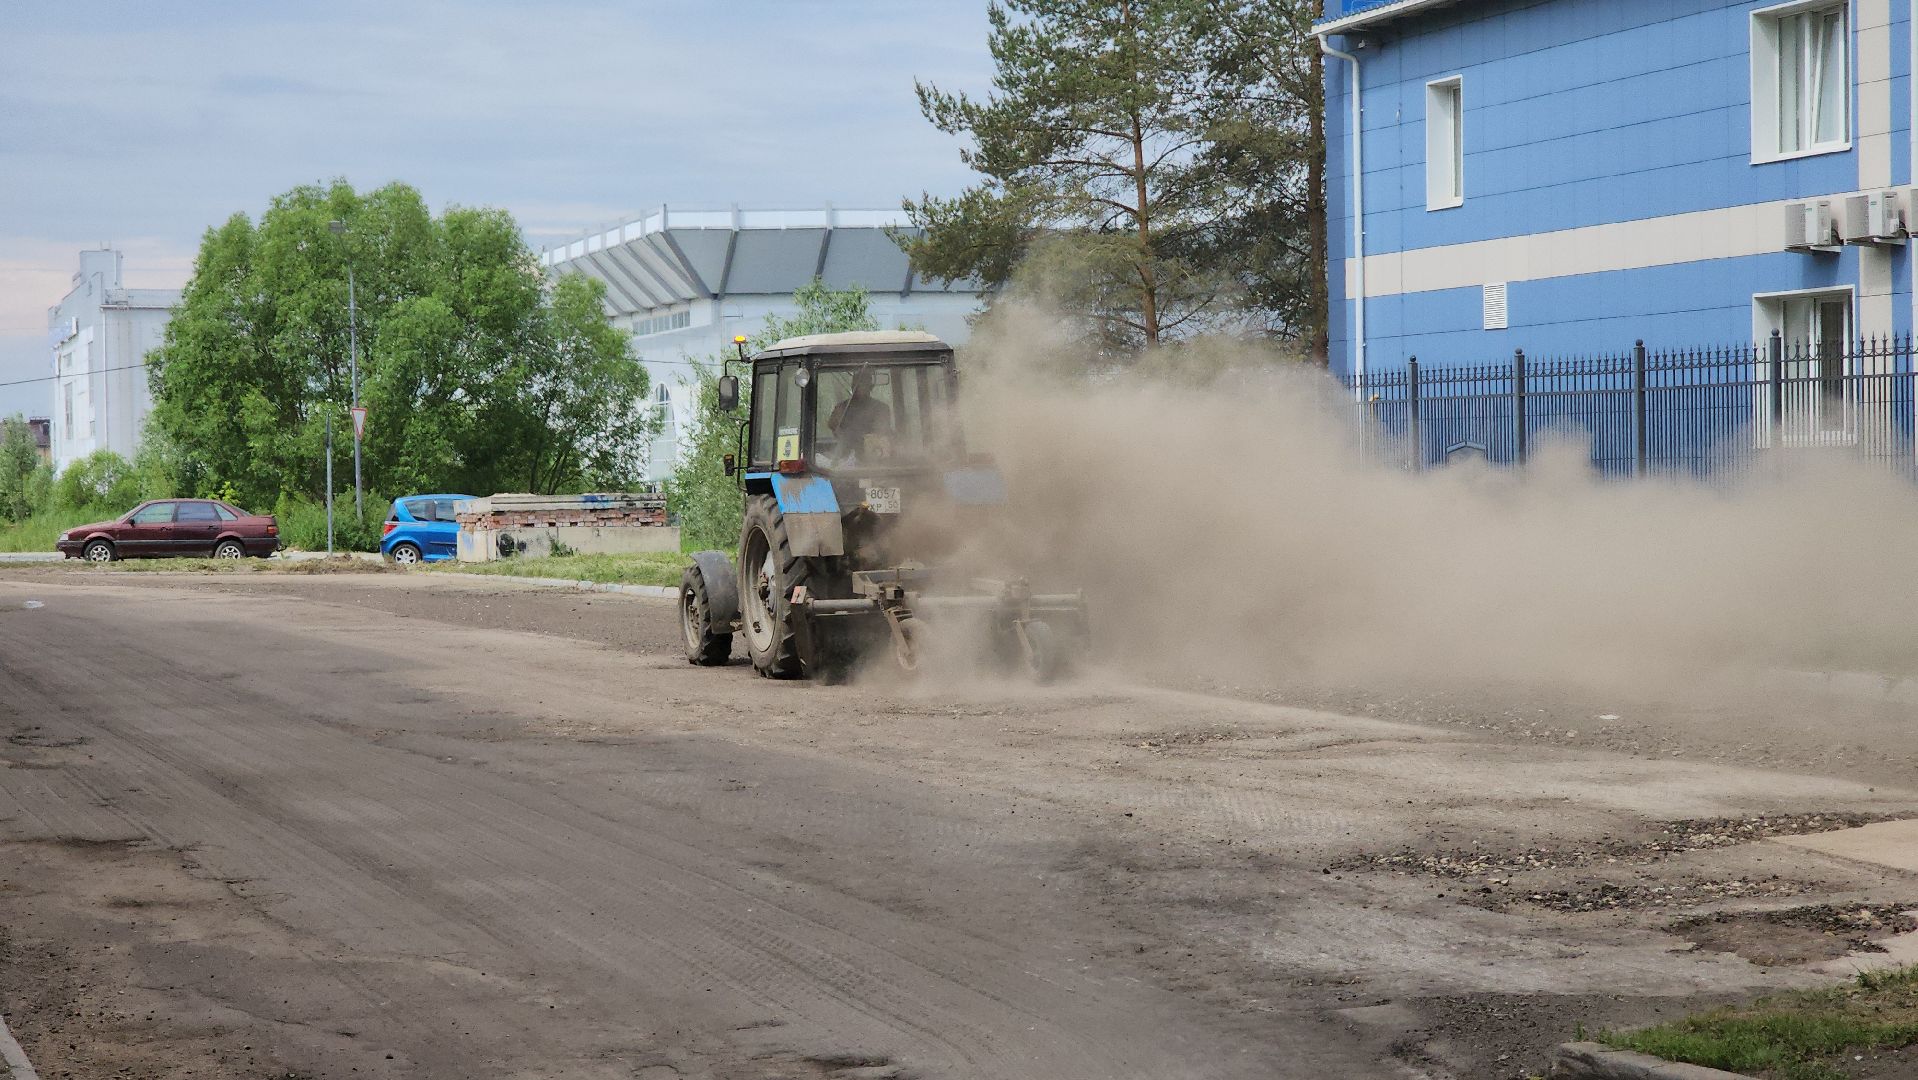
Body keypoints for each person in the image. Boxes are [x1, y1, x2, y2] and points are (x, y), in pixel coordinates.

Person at [828, 366, 891, 462]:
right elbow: (833, 426)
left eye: (864, 383)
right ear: (852, 386)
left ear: (870, 387)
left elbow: (882, 430)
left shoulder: (881, 408)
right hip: (845, 454)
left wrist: (866, 439)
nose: (859, 387)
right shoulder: (841, 408)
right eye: (857, 384)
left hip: (874, 455)